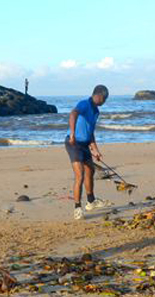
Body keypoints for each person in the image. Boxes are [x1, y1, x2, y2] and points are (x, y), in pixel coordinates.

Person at [65, 85, 112, 220]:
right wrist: (73, 134)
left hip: (85, 144)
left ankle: (91, 202)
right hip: (73, 143)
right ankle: (77, 207)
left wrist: (95, 149)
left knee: (90, 172)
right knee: (79, 175)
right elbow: (73, 114)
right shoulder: (84, 103)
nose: (105, 101)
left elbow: (90, 132)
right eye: (104, 98)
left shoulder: (96, 111)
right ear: (98, 95)